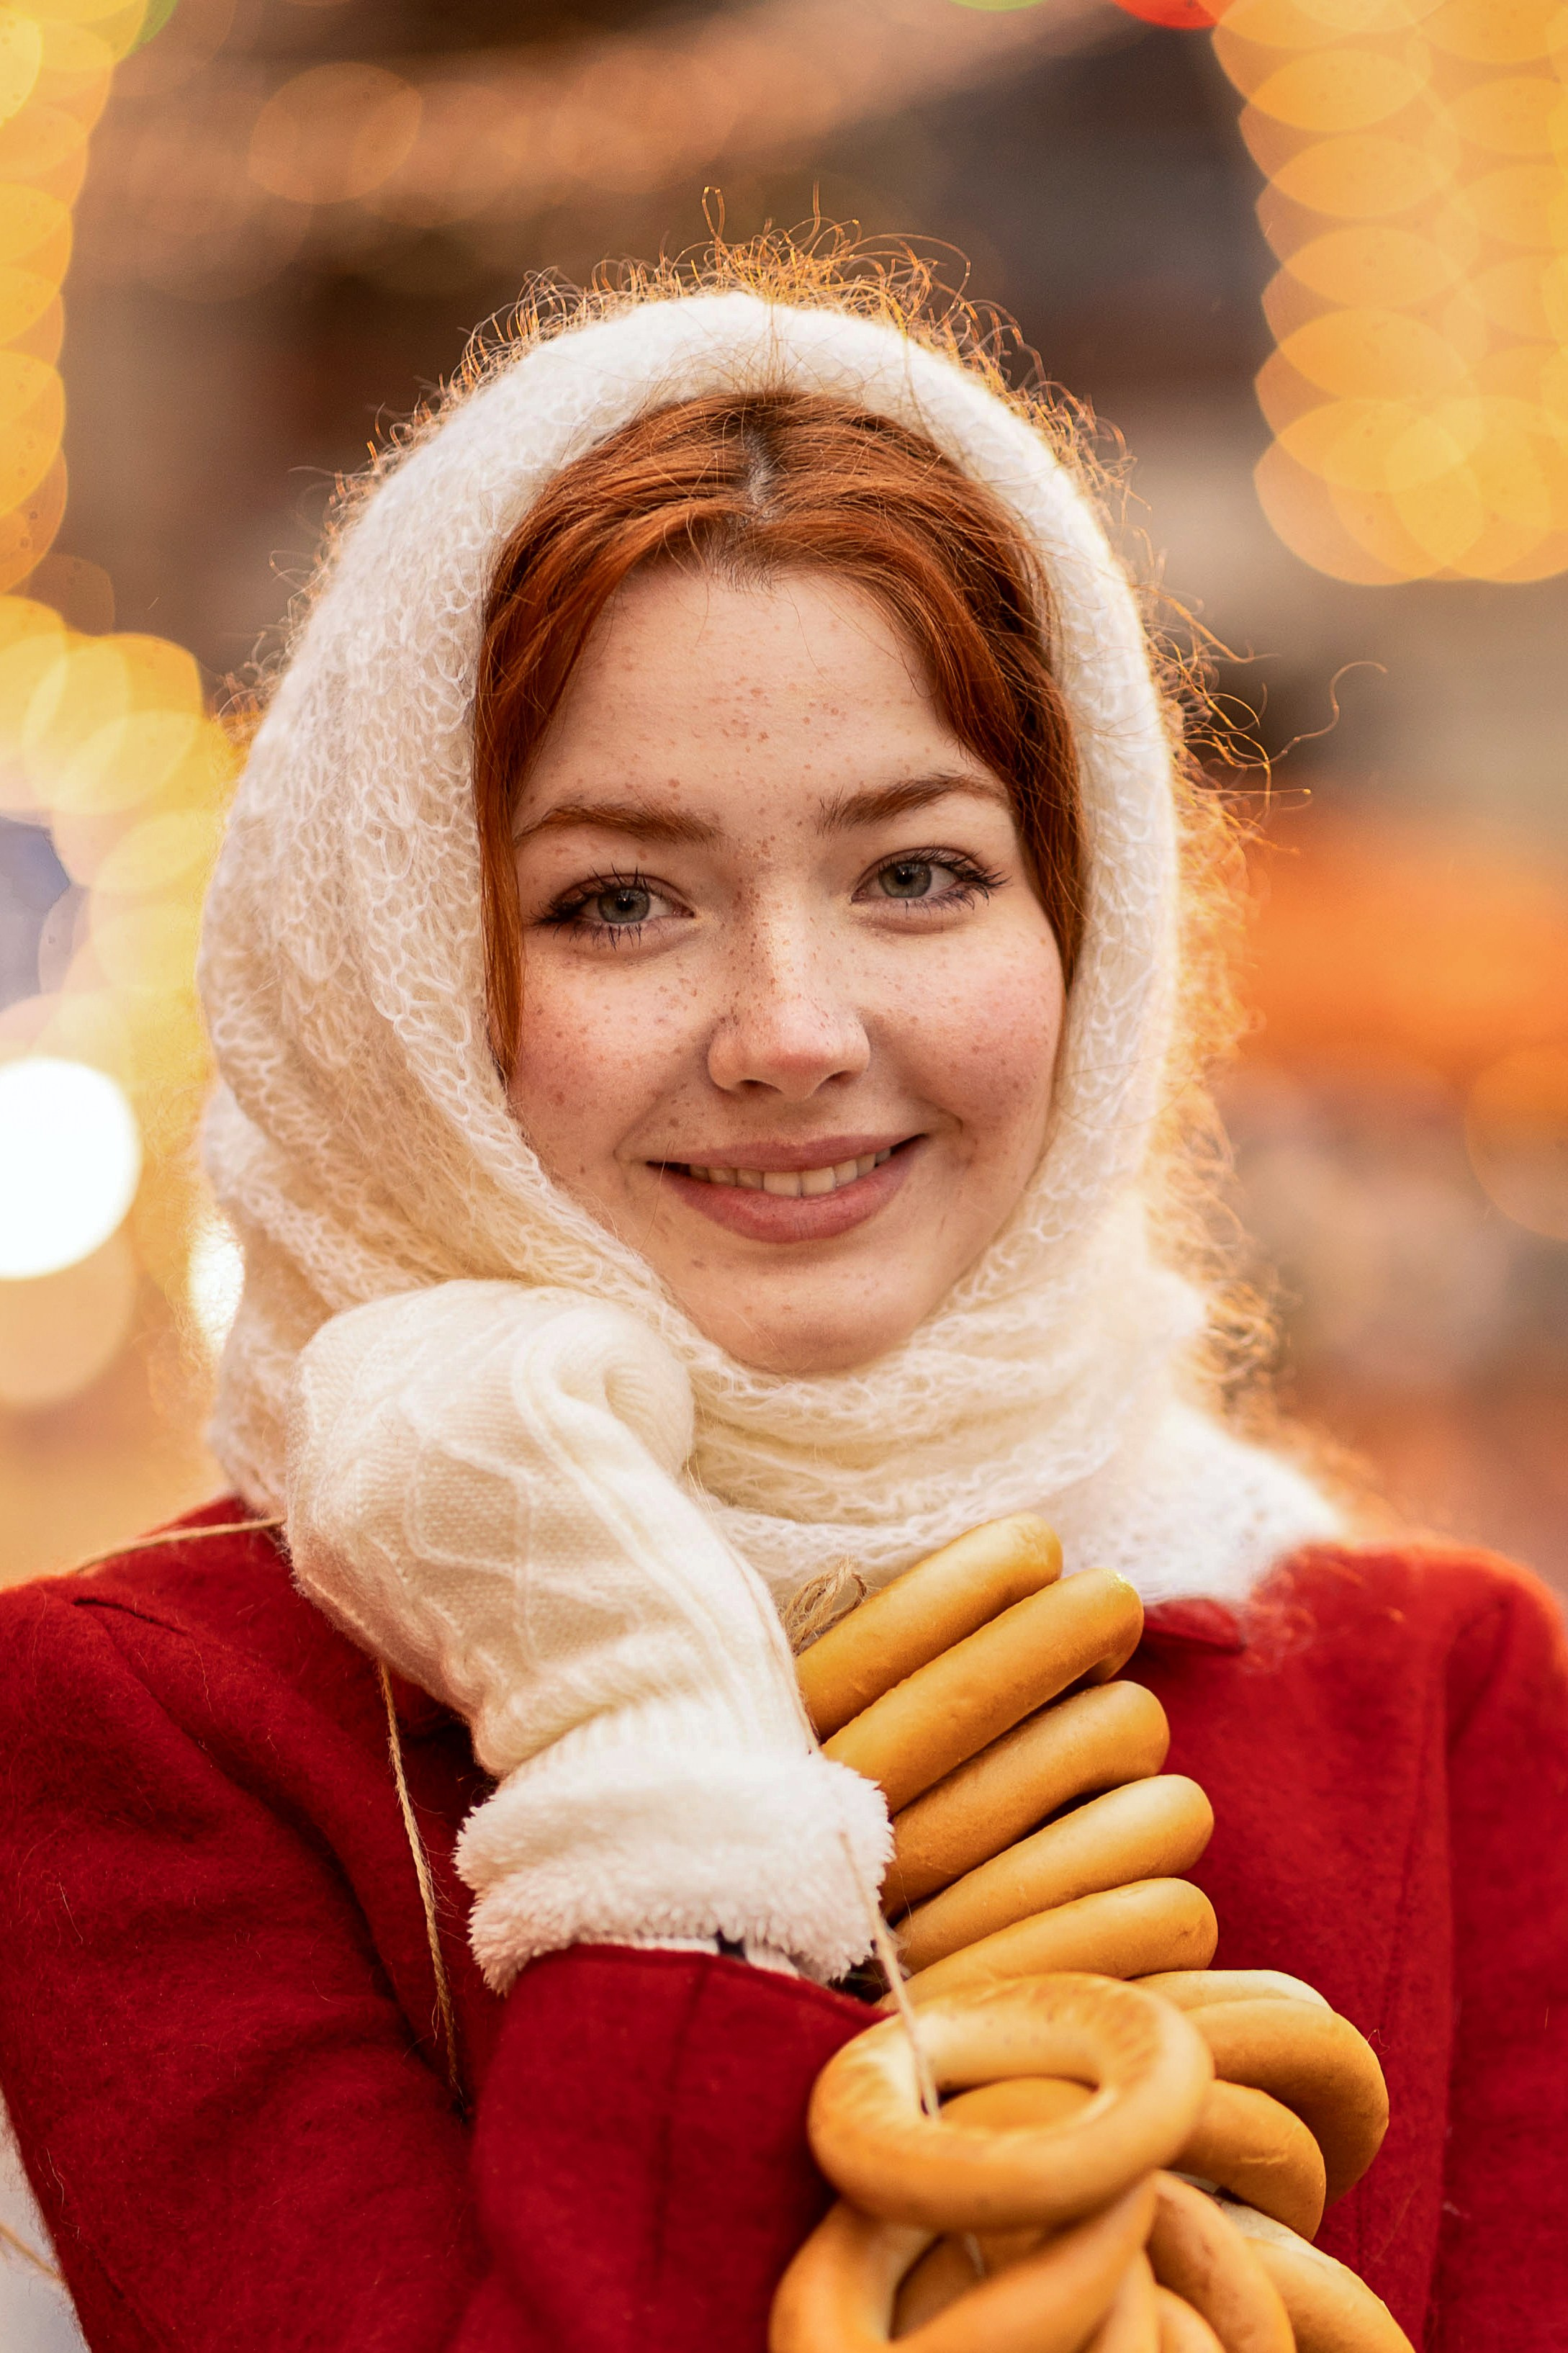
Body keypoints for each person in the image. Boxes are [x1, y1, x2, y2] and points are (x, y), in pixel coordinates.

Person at [0, 249, 1563, 2353]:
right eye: (615, 899)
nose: (790, 1028)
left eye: (918, 867)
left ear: (1084, 925)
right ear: (396, 975)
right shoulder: (148, 1733)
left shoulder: (1447, 1697)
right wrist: (649, 1768)